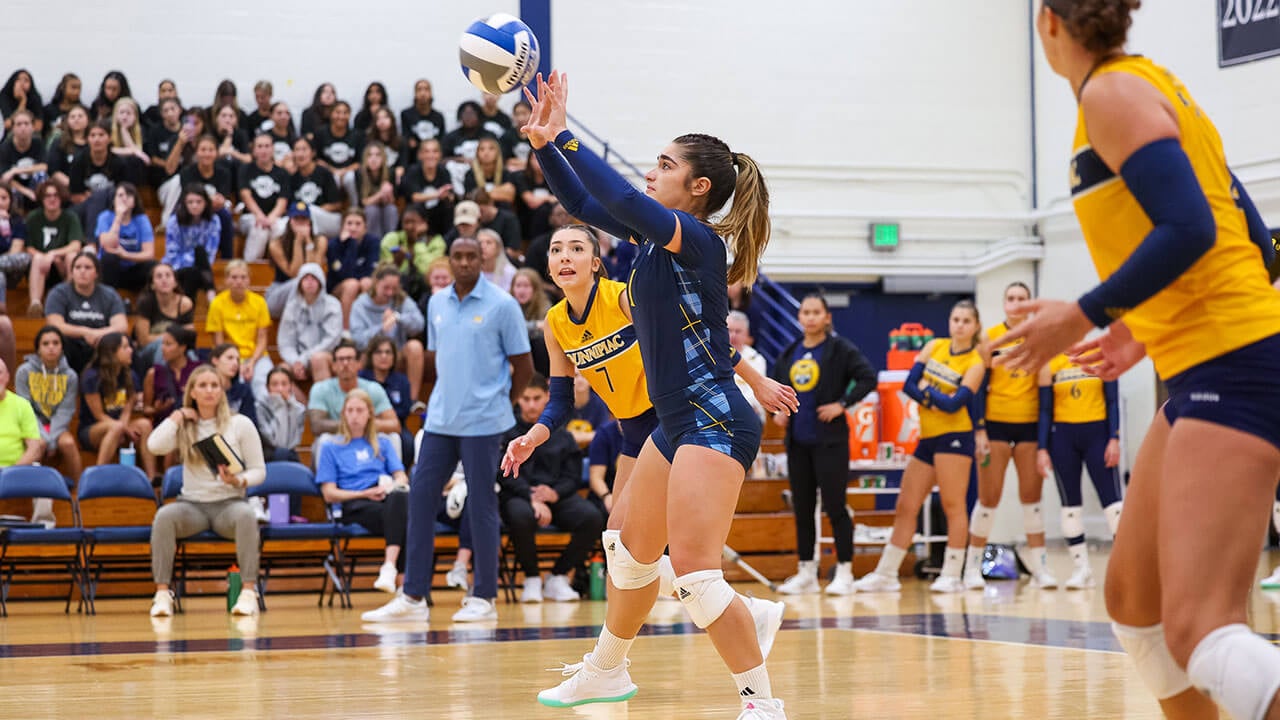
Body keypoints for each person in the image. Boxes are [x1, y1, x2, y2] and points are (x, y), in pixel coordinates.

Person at [998, 4, 1280, 717]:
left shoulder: (1110, 94)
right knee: (1134, 606)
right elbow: (1257, 243)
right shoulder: (1151, 85)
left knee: (1202, 631)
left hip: (1238, 363)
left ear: (1048, 23)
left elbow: (1189, 227)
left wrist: (1083, 313)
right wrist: (1139, 330)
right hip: (1203, 367)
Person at [519, 73, 787, 717]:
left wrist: (566, 135)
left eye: (665, 165)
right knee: (629, 556)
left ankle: (761, 705)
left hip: (713, 417)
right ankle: (606, 670)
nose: (651, 171)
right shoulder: (649, 244)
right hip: (673, 422)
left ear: (698, 188)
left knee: (694, 572)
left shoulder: (698, 240)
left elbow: (617, 195)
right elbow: (584, 201)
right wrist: (545, 146)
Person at [361, 235, 532, 624]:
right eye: (459, 256)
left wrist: (500, 405)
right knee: (420, 499)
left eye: (473, 256)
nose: (466, 262)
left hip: (483, 422)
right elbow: (441, 359)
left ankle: (484, 597)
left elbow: (523, 367)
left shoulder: (503, 304)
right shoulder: (436, 302)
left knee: (481, 505)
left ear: (483, 259)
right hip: (440, 420)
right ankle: (413, 596)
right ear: (449, 261)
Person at [852, 300, 986, 595]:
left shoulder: (975, 363)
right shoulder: (934, 346)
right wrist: (932, 397)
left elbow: (955, 405)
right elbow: (909, 384)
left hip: (955, 437)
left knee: (953, 505)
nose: (960, 325)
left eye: (966, 321)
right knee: (906, 505)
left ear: (976, 326)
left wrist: (927, 394)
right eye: (956, 319)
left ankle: (952, 573)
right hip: (927, 437)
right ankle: (887, 574)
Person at [771, 294, 878, 596]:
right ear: (799, 317)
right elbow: (777, 389)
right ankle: (806, 571)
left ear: (827, 317)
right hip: (798, 444)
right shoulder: (790, 352)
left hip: (830, 443)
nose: (810, 317)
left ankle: (844, 570)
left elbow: (868, 377)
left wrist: (841, 404)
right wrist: (779, 411)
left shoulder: (840, 349)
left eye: (816, 312)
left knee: (835, 506)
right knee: (803, 508)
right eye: (805, 312)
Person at [147, 364, 267, 618]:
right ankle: (162, 594)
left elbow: (259, 471)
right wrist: (177, 416)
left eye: (214, 385)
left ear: (222, 391)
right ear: (192, 392)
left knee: (247, 516)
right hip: (192, 506)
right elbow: (154, 446)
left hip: (229, 505)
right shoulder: (184, 426)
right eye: (202, 385)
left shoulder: (239, 424)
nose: (209, 390)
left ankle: (248, 592)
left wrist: (238, 481)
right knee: (164, 517)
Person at [966, 280, 1053, 591]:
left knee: (1032, 500)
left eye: (1022, 298)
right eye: (1011, 298)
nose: (1016, 303)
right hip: (996, 426)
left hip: (1028, 427)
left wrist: (1043, 444)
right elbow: (977, 388)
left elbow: (1046, 398)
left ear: (1030, 304)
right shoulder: (990, 338)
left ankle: (1041, 568)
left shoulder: (1040, 338)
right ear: (1004, 304)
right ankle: (972, 569)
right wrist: (979, 429)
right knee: (988, 499)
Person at [500, 374, 605, 603]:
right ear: (518, 400)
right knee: (520, 515)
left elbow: (573, 475)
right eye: (525, 399)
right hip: (520, 495)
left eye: (536, 398)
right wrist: (531, 497)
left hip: (557, 496)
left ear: (548, 397)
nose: (531, 405)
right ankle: (531, 578)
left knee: (592, 517)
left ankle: (558, 576)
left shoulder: (562, 433)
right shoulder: (507, 430)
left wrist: (555, 493)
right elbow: (503, 474)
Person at [1036, 352, 1124, 590]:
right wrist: (1042, 448)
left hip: (1098, 435)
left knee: (1113, 505)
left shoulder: (1101, 356)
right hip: (1063, 438)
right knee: (1070, 507)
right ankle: (1081, 569)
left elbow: (1113, 401)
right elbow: (1045, 410)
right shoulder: (1050, 363)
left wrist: (1114, 438)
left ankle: (1126, 567)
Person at [316, 389, 410, 594]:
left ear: (370, 414)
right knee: (403, 518)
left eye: (360, 410)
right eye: (350, 410)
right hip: (354, 502)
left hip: (384, 498)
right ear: (343, 414)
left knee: (400, 499)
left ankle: (390, 567)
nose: (354, 416)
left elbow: (401, 477)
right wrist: (364, 494)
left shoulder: (383, 443)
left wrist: (390, 486)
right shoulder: (331, 447)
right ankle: (404, 585)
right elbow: (329, 493)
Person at [13, 327, 79, 525]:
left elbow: (66, 411)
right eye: (46, 343)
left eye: (55, 343)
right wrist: (44, 438)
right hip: (32, 425)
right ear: (38, 349)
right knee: (38, 444)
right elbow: (26, 409)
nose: (51, 348)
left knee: (68, 443)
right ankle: (34, 493)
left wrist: (52, 438)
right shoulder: (24, 372)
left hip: (58, 425)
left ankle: (78, 493)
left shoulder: (71, 376)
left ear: (62, 348)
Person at [78, 332, 155, 478]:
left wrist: (123, 427)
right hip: (92, 430)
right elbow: (99, 415)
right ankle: (97, 476)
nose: (131, 350)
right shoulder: (91, 377)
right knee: (116, 427)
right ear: (112, 352)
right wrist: (123, 428)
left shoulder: (130, 375)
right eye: (125, 347)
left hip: (119, 425)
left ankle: (151, 478)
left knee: (145, 424)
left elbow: (126, 411)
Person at [307, 338, 401, 454]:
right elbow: (316, 426)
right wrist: (352, 425)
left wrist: (364, 425)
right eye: (341, 359)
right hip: (337, 439)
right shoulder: (320, 389)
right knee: (323, 440)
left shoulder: (373, 388)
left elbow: (394, 424)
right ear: (333, 366)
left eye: (349, 359)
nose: (345, 364)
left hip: (366, 438)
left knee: (394, 438)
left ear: (359, 364)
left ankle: (395, 466)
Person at [350, 265, 426, 404]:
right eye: (386, 288)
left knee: (415, 346)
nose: (390, 292)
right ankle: (361, 401)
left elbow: (419, 324)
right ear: (376, 283)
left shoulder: (401, 300)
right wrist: (382, 328)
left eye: (394, 288)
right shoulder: (360, 305)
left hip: (397, 352)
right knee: (359, 358)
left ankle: (412, 400)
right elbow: (358, 340)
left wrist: (398, 317)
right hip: (370, 353)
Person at [45, 252, 128, 372]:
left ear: (96, 273)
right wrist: (85, 332)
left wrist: (98, 334)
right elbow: (55, 324)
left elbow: (121, 326)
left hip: (100, 343)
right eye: (77, 267)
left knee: (124, 344)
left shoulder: (110, 294)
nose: (82, 271)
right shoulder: (58, 293)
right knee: (57, 341)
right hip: (71, 344)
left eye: (88, 267)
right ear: (72, 272)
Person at [206, 260, 273, 401]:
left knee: (262, 385)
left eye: (243, 277)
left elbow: (262, 339)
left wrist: (252, 363)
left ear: (249, 280)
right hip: (229, 356)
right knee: (238, 383)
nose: (239, 281)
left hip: (257, 357)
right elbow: (218, 343)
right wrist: (237, 363)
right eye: (234, 277)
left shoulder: (259, 302)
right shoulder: (217, 303)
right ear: (226, 280)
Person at [24, 181, 84, 316]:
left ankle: (71, 303)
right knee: (37, 258)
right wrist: (45, 257)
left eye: (56, 195)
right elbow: (28, 247)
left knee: (72, 256)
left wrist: (53, 254)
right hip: (40, 268)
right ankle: (35, 304)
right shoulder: (33, 217)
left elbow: (76, 245)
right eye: (48, 195)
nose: (52, 199)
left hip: (63, 266)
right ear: (42, 199)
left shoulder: (70, 217)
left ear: (61, 197)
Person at [0, 358, 48, 525]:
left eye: (0, 373)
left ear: (7, 376)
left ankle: (44, 527)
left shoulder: (21, 405)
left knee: (43, 475)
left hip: (18, 466)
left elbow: (34, 448)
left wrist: (11, 471)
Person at [277, 262, 341, 386]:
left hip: (325, 355)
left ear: (321, 281)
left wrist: (305, 358)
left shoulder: (332, 305)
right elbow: (285, 343)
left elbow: (332, 339)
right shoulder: (291, 307)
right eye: (306, 278)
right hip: (298, 358)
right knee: (281, 371)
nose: (310, 282)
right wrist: (295, 361)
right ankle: (299, 400)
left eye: (314, 278)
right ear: (299, 282)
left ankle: (323, 398)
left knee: (318, 359)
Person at [265, 201, 328, 318]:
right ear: (290, 221)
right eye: (296, 219)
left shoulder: (320, 240)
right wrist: (298, 243)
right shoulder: (276, 243)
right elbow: (295, 273)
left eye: (304, 219)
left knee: (310, 282)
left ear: (310, 221)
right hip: (279, 293)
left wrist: (308, 241)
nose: (300, 223)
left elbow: (314, 271)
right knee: (301, 282)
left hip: (306, 296)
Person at [359, 334, 416, 463]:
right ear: (371, 356)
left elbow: (405, 409)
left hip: (396, 424)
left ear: (394, 356)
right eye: (378, 352)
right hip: (366, 424)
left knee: (407, 442)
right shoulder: (362, 379)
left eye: (388, 352)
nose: (383, 356)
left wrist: (386, 414)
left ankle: (401, 471)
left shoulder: (401, 380)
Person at [91, 182, 156, 292]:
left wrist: (125, 255)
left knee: (153, 266)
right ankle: (109, 297)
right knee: (109, 258)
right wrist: (119, 217)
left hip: (133, 269)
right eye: (120, 195)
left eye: (129, 195)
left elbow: (149, 254)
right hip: (110, 270)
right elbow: (107, 246)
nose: (124, 198)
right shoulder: (105, 217)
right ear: (114, 200)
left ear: (134, 202)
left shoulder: (142, 219)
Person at [131, 262, 194, 375]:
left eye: (168, 275)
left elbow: (189, 337)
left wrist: (172, 343)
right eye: (159, 276)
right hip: (147, 352)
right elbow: (143, 341)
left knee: (190, 354)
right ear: (152, 284)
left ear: (175, 282)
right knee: (162, 346)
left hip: (176, 348)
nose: (164, 280)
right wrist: (170, 339)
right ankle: (163, 381)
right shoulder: (145, 302)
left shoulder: (184, 303)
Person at [237, 133, 291, 262]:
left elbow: (282, 201)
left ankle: (281, 266)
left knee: (282, 228)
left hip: (275, 217)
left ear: (272, 149)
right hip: (250, 216)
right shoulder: (246, 169)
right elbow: (245, 195)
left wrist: (271, 218)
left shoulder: (282, 173)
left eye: (267, 146)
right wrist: (260, 216)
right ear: (254, 150)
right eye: (260, 146)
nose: (264, 150)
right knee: (259, 228)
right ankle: (251, 265)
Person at [162, 184, 220, 301]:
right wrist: (192, 264)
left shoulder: (213, 220)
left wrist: (197, 265)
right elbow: (172, 254)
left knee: (199, 254)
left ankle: (187, 309)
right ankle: (210, 292)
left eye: (199, 202)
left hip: (201, 266)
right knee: (192, 272)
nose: (194, 206)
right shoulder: (174, 221)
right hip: (177, 267)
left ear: (206, 203)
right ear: (184, 204)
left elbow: (210, 252)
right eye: (190, 202)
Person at [326, 210, 381, 328]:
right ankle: (346, 330)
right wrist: (351, 244)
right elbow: (344, 275)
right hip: (338, 288)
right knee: (352, 284)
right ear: (342, 226)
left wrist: (358, 277)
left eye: (358, 224)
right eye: (349, 223)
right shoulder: (334, 245)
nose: (353, 228)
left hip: (361, 284)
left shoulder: (373, 242)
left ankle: (368, 328)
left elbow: (371, 272)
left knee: (367, 283)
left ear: (365, 227)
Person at [380, 204, 445, 301]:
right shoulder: (392, 239)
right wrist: (397, 263)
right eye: (406, 222)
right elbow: (383, 273)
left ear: (424, 222)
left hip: (426, 288)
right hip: (398, 287)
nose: (410, 226)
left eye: (414, 222)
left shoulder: (437, 242)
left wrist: (419, 241)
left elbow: (430, 270)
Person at [397, 138, 455, 238]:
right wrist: (438, 194)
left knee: (448, 207)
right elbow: (415, 197)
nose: (431, 155)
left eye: (435, 151)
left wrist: (449, 196)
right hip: (417, 212)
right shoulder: (413, 171)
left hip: (437, 214)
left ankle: (446, 241)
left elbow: (449, 194)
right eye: (427, 151)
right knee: (415, 208)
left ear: (440, 155)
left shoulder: (444, 172)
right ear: (420, 155)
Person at [141, 326, 198, 425]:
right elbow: (146, 409)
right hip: (165, 426)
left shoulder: (197, 371)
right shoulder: (153, 373)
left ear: (182, 348)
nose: (162, 348)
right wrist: (157, 410)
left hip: (192, 425)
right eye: (162, 343)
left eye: (168, 344)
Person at [289, 136, 343, 238]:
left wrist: (311, 211)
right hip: (300, 219)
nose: (300, 154)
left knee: (310, 211)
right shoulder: (292, 178)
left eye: (304, 149)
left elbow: (336, 204)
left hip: (324, 217)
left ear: (313, 153)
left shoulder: (324, 173)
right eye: (297, 150)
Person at [0, 110, 47, 210]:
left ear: (33, 127)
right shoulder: (5, 148)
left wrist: (16, 170)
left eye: (26, 123)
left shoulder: (38, 143)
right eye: (19, 124)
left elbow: (44, 166)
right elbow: (4, 177)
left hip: (34, 184)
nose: (23, 128)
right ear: (13, 128)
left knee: (42, 175)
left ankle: (42, 210)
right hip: (16, 187)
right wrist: (26, 191)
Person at [259, 366, 305, 463]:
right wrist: (281, 406)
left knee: (289, 455)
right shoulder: (260, 408)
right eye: (274, 384)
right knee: (281, 453)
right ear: (267, 387)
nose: (280, 389)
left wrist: (289, 406)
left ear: (290, 386)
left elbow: (293, 442)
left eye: (284, 384)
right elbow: (276, 442)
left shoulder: (298, 409)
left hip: (290, 453)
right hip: (267, 454)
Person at [727, 311, 767, 421]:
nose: (733, 335)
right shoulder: (712, 356)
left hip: (749, 413)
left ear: (746, 334)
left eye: (738, 331)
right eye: (729, 330)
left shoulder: (757, 359)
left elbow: (757, 391)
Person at [356, 142, 398, 238]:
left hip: (385, 205)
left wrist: (389, 193)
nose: (373, 159)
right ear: (365, 159)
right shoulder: (360, 173)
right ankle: (375, 241)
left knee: (391, 210)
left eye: (377, 155)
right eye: (370, 155)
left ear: (383, 158)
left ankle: (390, 241)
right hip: (369, 207)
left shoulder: (391, 172)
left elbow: (392, 201)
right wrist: (380, 194)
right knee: (372, 210)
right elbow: (363, 202)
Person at [0, 184, 29, 314]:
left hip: (12, 270)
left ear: (10, 200)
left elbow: (15, 251)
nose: (0, 202)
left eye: (4, 198)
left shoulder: (17, 221)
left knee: (25, 258)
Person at [211, 342, 256, 425]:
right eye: (230, 358)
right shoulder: (206, 389)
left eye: (238, 360)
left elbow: (252, 422)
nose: (235, 363)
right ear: (215, 360)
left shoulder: (244, 391)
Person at [400, 79, 446, 156]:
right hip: (413, 156)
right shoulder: (406, 114)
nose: (423, 93)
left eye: (426, 89)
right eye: (419, 89)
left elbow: (441, 142)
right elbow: (408, 141)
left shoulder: (439, 116)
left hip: (433, 156)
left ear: (431, 93)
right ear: (415, 93)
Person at [1, 70, 44, 135]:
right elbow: (8, 125)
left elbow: (38, 127)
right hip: (11, 136)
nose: (22, 83)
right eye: (18, 79)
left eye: (26, 80)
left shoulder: (35, 98)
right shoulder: (5, 96)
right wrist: (23, 101)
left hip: (31, 136)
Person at [478, 228, 516, 295]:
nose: (483, 246)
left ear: (498, 248)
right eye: (480, 243)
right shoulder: (471, 271)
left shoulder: (510, 273)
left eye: (488, 243)